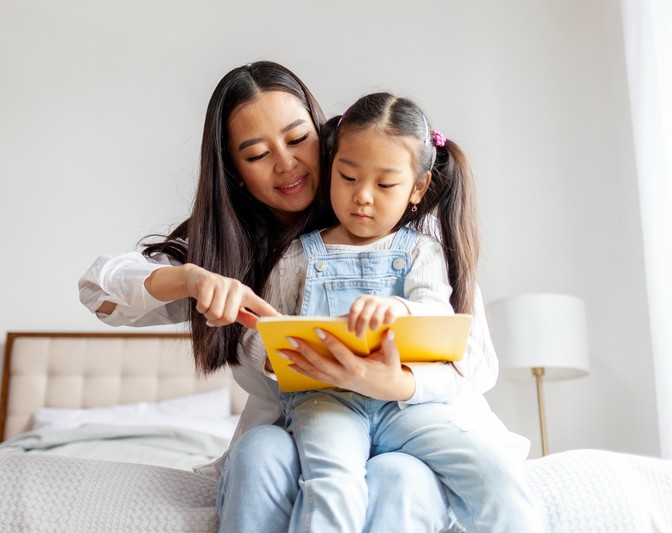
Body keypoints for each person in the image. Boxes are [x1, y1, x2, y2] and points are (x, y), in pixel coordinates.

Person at [79, 61, 529, 532]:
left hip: (411, 415)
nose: (287, 164)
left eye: (298, 140)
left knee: (400, 474)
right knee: (259, 452)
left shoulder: (406, 232)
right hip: (309, 420)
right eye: (257, 154)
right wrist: (192, 280)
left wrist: (391, 379)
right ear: (234, 171)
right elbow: (100, 289)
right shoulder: (246, 251)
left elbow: (472, 362)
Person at [245, 92, 540, 531]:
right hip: (326, 401)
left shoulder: (424, 252)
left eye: (385, 185)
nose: (362, 197)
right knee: (332, 487)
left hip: (408, 404)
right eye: (347, 177)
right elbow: (255, 334)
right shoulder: (298, 257)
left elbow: (443, 322)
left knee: (493, 470)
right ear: (331, 170)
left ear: (417, 188)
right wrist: (272, 353)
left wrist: (397, 309)